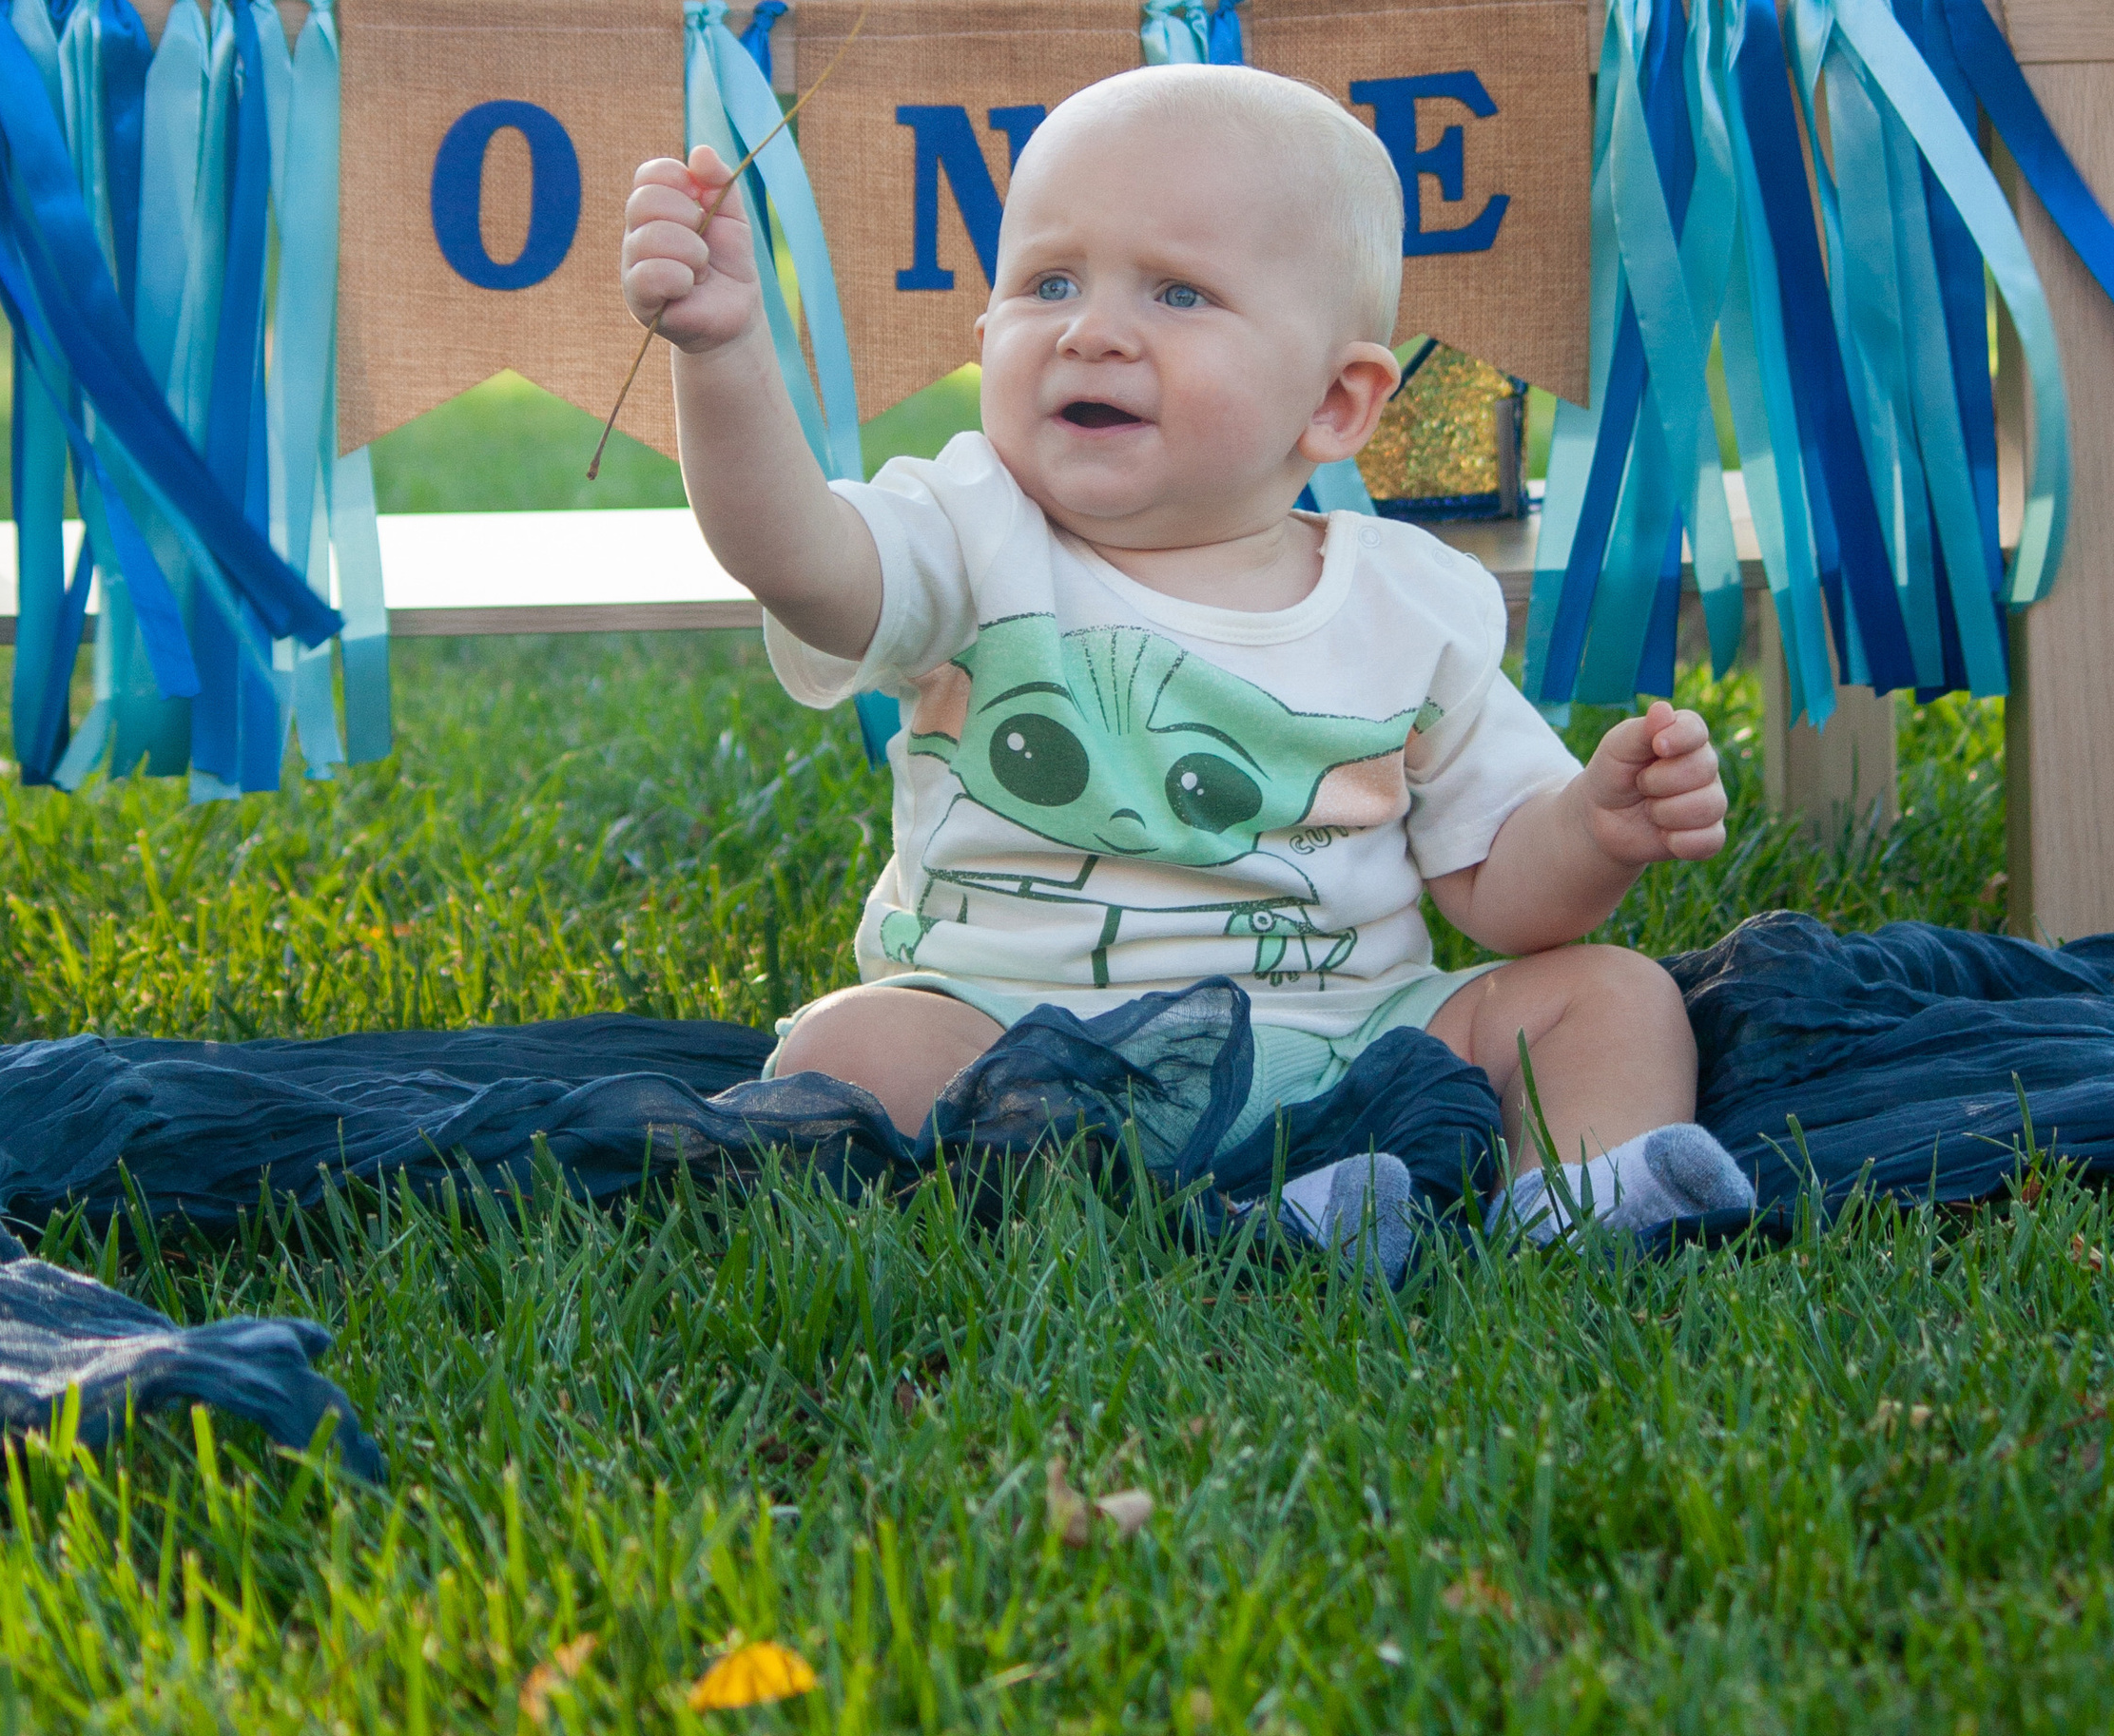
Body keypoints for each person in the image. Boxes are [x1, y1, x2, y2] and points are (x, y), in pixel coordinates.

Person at [620, 62, 1755, 1248]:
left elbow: (1504, 894)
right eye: (1048, 282)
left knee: (1611, 996)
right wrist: (723, 355)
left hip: (1346, 1040)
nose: (1093, 331)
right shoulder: (968, 532)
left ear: (1333, 404)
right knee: (850, 1046)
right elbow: (795, 556)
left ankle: (1576, 1207)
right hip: (1014, 1044)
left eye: (1176, 294)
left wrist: (1596, 829)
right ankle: (1252, 1215)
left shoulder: (1413, 604)